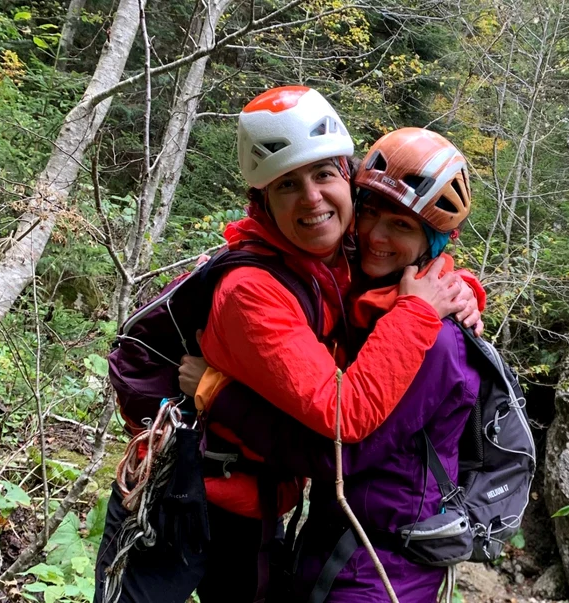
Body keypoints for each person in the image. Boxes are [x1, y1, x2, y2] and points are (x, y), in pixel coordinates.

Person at [94, 87, 484, 603]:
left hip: (259, 503)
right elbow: (344, 417)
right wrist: (418, 311)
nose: (312, 198)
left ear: (347, 179)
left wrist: (460, 290)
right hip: (181, 497)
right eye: (287, 185)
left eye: (324, 174)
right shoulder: (251, 291)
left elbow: (402, 254)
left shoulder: (333, 248)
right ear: (264, 203)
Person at [194, 127, 482, 602]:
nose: (374, 236)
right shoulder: (369, 296)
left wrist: (221, 395)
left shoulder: (430, 336)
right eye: (370, 213)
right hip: (339, 544)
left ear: (433, 244)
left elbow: (341, 456)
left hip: (381, 565)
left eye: (402, 227)